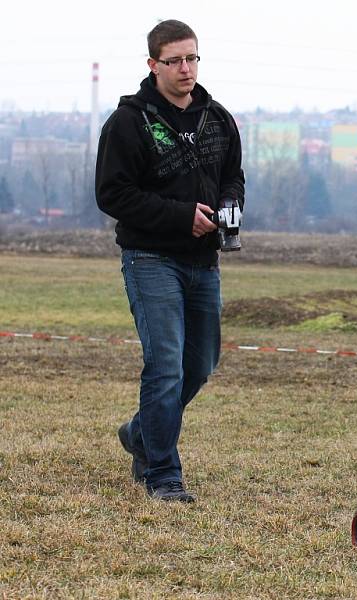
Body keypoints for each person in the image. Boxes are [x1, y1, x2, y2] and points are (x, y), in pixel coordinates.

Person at [95, 19, 245, 502]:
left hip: (204, 262)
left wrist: (228, 207)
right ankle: (162, 474)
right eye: (175, 60)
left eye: (192, 58)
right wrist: (183, 217)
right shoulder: (129, 122)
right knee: (165, 368)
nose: (186, 69)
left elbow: (233, 178)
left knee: (198, 366)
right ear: (153, 65)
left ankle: (140, 433)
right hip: (150, 259)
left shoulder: (217, 119)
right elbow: (112, 194)